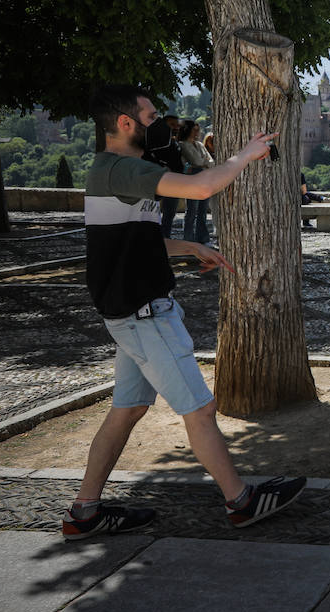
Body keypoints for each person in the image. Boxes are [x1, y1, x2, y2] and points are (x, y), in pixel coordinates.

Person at [65, 85, 304, 541]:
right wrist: (246, 154)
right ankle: (241, 501)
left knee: (128, 409)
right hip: (144, 312)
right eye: (152, 115)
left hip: (130, 312)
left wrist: (187, 246)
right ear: (125, 123)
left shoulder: (112, 171)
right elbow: (202, 186)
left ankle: (84, 512)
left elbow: (128, 239)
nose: (163, 124)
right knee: (200, 407)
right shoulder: (123, 169)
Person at [143, 112, 183, 238]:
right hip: (157, 184)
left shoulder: (175, 144)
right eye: (172, 125)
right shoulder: (152, 145)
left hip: (174, 184)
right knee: (151, 213)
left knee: (169, 213)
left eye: (177, 125)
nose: (175, 128)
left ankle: (165, 237)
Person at [177, 120, 213, 244]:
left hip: (204, 178)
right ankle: (188, 238)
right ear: (188, 130)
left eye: (198, 129)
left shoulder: (199, 144)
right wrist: (204, 162)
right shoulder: (183, 144)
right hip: (192, 179)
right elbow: (197, 161)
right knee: (192, 210)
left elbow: (210, 161)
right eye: (195, 129)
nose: (198, 132)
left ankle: (202, 237)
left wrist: (203, 162)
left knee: (202, 210)